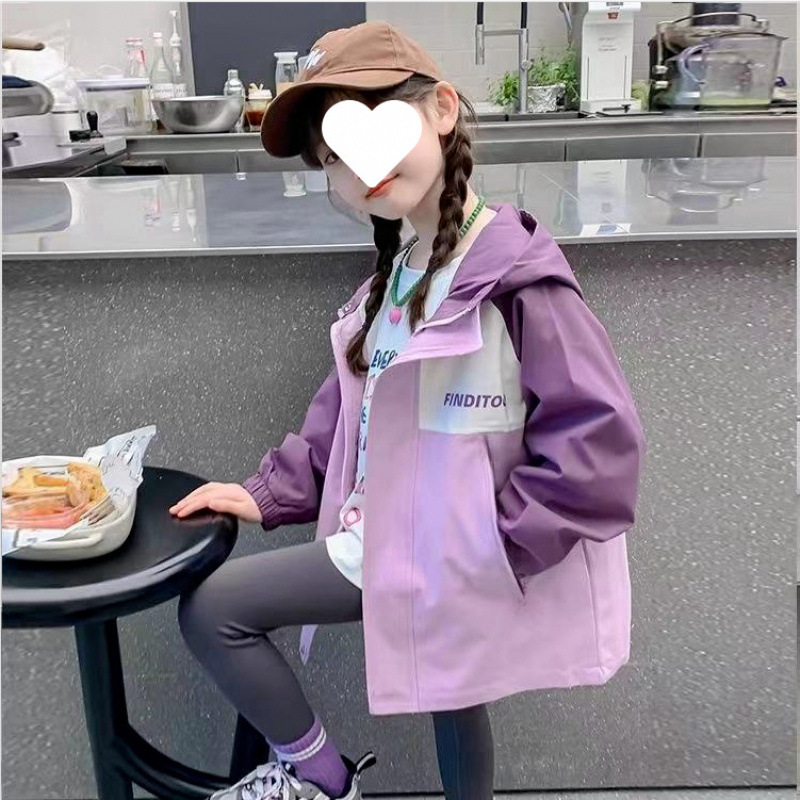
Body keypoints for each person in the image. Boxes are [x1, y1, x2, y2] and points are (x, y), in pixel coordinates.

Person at [169, 20, 647, 800]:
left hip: (440, 549)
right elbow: (350, 411)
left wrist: (495, 550)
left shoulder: (515, 280)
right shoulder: (397, 277)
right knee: (453, 690)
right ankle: (329, 776)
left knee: (216, 610)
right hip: (396, 536)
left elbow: (598, 445)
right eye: (333, 155)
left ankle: (322, 781)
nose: (357, 166)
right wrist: (265, 492)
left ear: (442, 110)